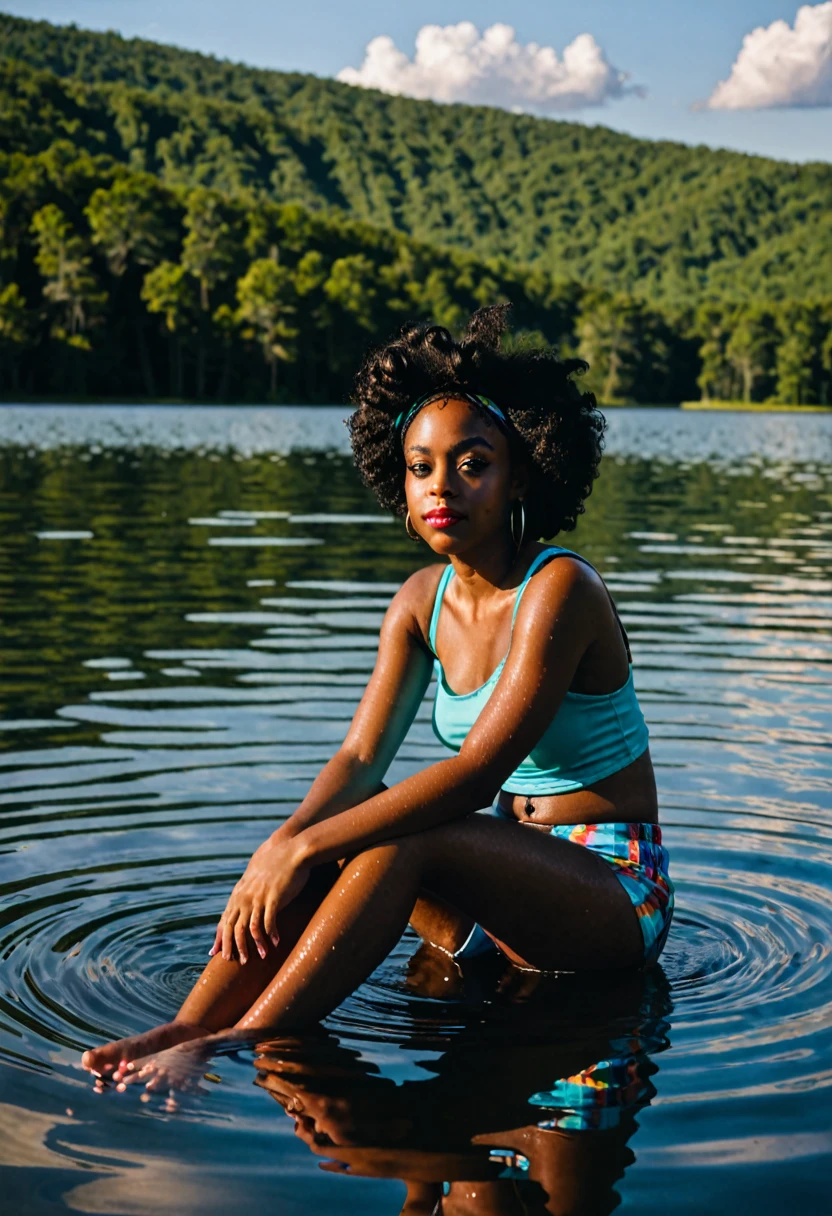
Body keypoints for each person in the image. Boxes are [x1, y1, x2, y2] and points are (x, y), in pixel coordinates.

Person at [80, 304, 674, 1094]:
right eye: (421, 466)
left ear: (520, 473)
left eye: (472, 463)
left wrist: (308, 847)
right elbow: (361, 757)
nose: (442, 487)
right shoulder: (418, 603)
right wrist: (284, 842)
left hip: (613, 896)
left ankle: (240, 1044)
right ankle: (192, 1022)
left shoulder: (558, 589)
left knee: (401, 835)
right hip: (503, 903)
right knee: (342, 827)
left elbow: (473, 776)